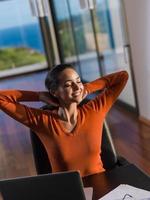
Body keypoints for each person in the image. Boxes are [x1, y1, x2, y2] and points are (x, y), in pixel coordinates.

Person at [0, 64, 128, 177]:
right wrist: (38, 96)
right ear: (54, 92)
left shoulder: (95, 111)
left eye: (78, 81)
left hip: (101, 185)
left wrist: (87, 88)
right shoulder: (41, 121)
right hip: (67, 191)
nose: (77, 88)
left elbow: (122, 76)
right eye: (68, 84)